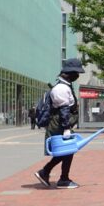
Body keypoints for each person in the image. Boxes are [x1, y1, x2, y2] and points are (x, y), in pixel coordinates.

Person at [34, 58, 85, 189]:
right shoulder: (61, 88)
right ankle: (57, 176)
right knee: (66, 150)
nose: (77, 76)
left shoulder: (65, 86)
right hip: (59, 123)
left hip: (61, 122)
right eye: (76, 73)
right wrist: (66, 127)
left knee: (67, 150)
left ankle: (55, 175)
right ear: (70, 73)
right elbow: (64, 110)